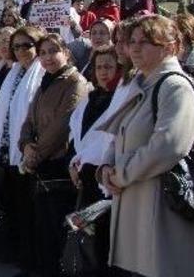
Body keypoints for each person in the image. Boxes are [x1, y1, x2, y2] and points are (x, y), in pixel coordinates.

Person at [97, 15, 194, 277]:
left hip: (164, 211)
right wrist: (106, 167)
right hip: (140, 205)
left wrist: (120, 174)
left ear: (170, 46)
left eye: (146, 42)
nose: (134, 48)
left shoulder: (174, 85)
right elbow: (119, 133)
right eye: (132, 41)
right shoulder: (143, 84)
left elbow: (168, 146)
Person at [18, 34, 89, 276]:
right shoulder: (45, 82)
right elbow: (29, 120)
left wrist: (34, 155)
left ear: (66, 53)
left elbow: (62, 126)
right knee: (41, 227)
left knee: (55, 227)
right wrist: (26, 144)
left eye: (53, 51)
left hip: (57, 165)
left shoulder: (74, 82)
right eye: (43, 53)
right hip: (39, 164)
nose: (48, 57)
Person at [0, 25, 45, 273]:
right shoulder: (13, 72)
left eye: (27, 45)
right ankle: (17, 253)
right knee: (12, 205)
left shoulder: (41, 71)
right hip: (6, 149)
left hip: (28, 151)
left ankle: (29, 259)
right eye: (17, 46)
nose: (21, 51)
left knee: (28, 210)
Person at [66, 45, 121, 276]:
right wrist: (73, 164)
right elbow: (74, 133)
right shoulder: (89, 99)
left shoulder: (120, 98)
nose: (103, 72)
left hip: (106, 179)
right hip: (83, 176)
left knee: (105, 241)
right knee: (85, 238)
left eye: (109, 66)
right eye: (99, 67)